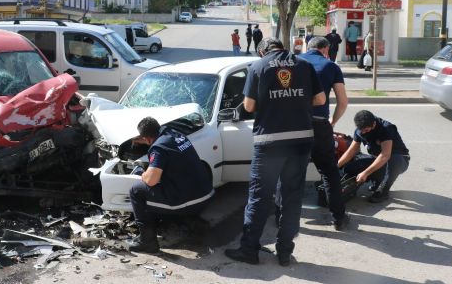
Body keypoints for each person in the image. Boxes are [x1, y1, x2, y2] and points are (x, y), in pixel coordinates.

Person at [225, 37, 325, 266]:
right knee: (292, 198)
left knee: (259, 198)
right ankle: (284, 253)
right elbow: (319, 99)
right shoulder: (304, 65)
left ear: (262, 52)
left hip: (269, 144)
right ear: (282, 47)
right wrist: (297, 101)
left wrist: (270, 102)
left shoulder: (258, 67)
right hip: (300, 141)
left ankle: (249, 250)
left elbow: (249, 106)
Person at [128, 117, 214, 253]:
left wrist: (141, 172)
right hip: (206, 194)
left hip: (189, 201)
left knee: (137, 191)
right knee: (169, 184)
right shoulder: (174, 133)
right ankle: (194, 223)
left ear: (147, 138)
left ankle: (147, 242)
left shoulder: (158, 148)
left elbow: (151, 180)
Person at [298, 37, 350, 230]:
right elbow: (343, 102)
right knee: (329, 172)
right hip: (320, 126)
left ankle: (281, 218)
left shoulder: (293, 62)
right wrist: (332, 122)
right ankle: (338, 218)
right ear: (325, 49)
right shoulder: (331, 66)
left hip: (295, 126)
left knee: (290, 172)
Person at [337, 110, 410, 203]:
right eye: (361, 130)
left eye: (366, 130)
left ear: (374, 124)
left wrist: (366, 173)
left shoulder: (386, 128)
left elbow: (385, 155)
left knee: (395, 160)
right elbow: (351, 151)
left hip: (398, 160)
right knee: (349, 168)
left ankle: (383, 191)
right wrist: (336, 166)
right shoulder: (359, 131)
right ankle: (378, 179)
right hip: (378, 159)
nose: (363, 132)